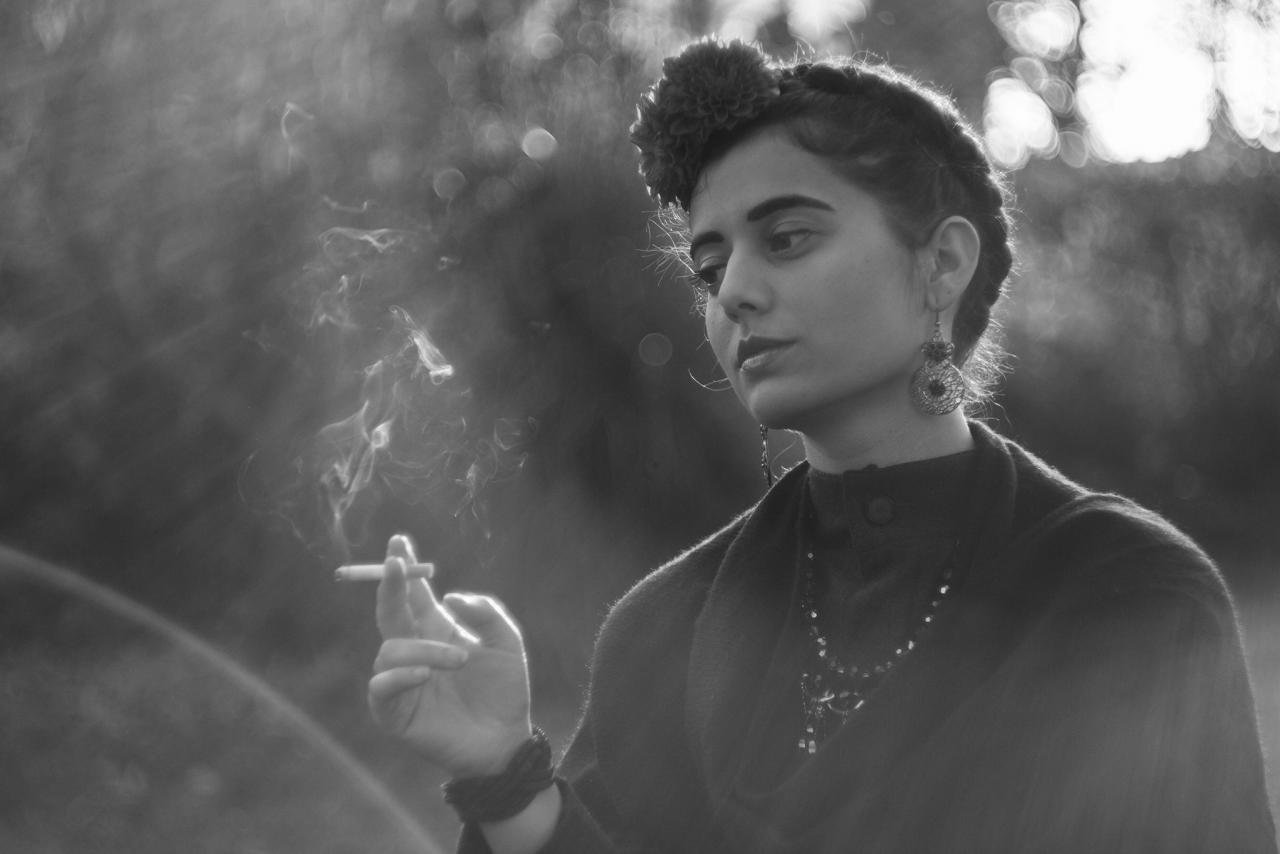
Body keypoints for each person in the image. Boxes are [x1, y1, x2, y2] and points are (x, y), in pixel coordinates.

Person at [366, 39, 1277, 853]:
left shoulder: (1125, 595)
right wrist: (504, 774)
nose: (734, 293)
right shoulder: (662, 628)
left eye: (787, 238)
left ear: (941, 264)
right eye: (710, 268)